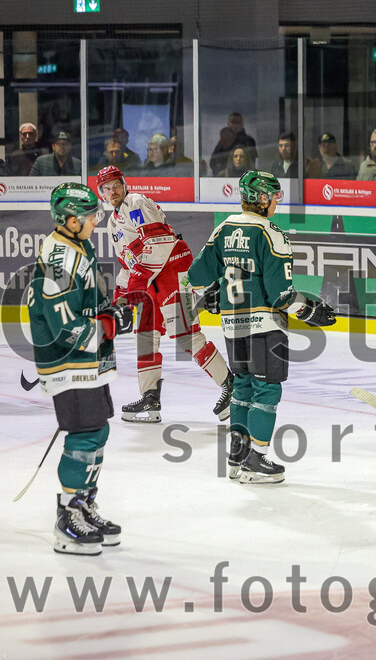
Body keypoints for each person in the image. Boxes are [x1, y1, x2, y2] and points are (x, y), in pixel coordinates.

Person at [188, 170, 336, 484]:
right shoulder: (271, 233)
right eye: (275, 196)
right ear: (263, 198)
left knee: (242, 388)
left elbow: (197, 275)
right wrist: (310, 311)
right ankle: (256, 458)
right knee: (267, 389)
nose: (277, 203)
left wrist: (214, 290)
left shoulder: (224, 228)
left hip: (232, 324)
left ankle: (237, 456)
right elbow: (281, 295)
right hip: (264, 325)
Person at [29, 183, 134, 555]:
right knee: (85, 433)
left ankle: (85, 503)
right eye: (91, 217)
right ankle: (67, 516)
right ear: (71, 220)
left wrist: (109, 311)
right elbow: (62, 326)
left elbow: (89, 298)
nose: (96, 221)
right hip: (67, 359)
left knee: (97, 430)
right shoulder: (60, 258)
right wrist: (107, 325)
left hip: (87, 359)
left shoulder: (79, 244)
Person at [94, 166, 233, 423]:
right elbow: (129, 263)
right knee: (146, 336)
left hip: (172, 272)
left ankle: (231, 387)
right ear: (100, 193)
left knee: (186, 336)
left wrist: (134, 287)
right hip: (151, 282)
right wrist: (120, 297)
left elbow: (158, 244)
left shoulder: (135, 202)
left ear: (124, 184)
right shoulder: (113, 222)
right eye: (106, 188)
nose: (112, 191)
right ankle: (150, 398)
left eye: (116, 185)